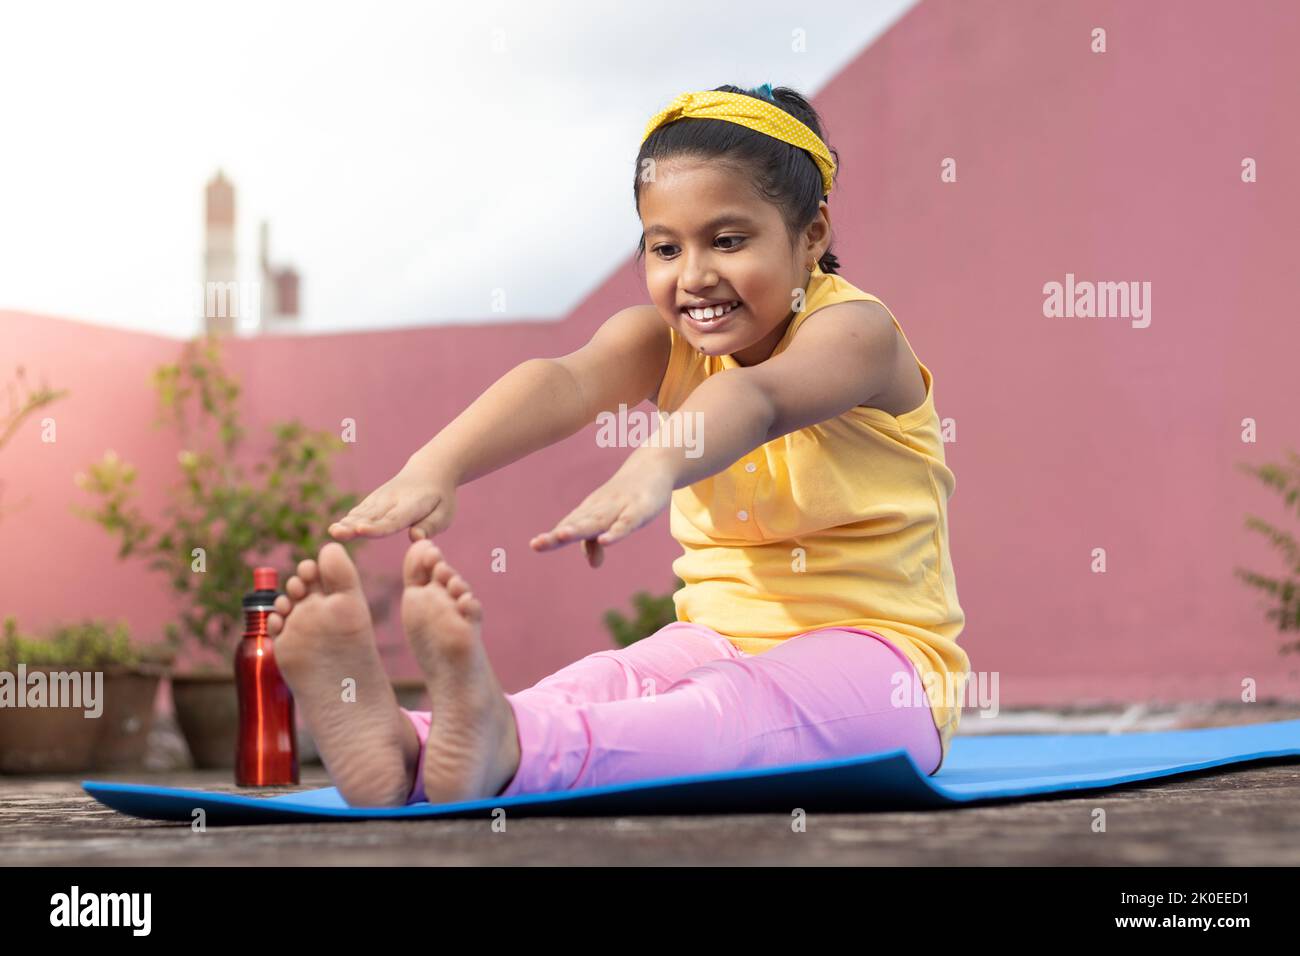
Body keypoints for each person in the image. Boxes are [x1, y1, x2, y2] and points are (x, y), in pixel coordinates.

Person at [267, 83, 970, 807]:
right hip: (716, 638)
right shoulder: (662, 342)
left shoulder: (857, 335)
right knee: (604, 680)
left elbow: (756, 401)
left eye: (728, 241)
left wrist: (656, 464)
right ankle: (410, 743)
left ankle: (511, 752)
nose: (693, 275)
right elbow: (563, 383)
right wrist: (437, 466)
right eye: (665, 247)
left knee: (733, 710)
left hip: (887, 669)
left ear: (812, 234)